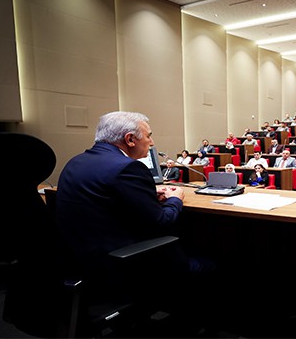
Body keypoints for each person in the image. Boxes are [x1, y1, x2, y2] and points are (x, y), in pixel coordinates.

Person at [55, 111, 215, 335]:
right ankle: (195, 326)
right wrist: (175, 199)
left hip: (81, 262)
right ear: (130, 139)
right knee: (213, 260)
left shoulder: (75, 162)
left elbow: (109, 203)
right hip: (124, 267)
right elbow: (162, 223)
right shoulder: (128, 167)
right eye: (148, 136)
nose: (152, 142)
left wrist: (148, 195)